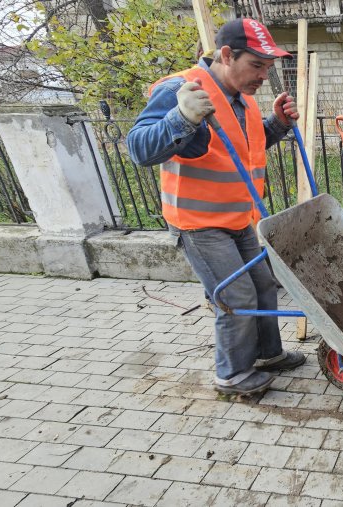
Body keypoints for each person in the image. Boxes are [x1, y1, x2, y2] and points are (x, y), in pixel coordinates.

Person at [127, 18, 305, 395]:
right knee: (235, 296)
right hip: (199, 221)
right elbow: (139, 149)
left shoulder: (243, 99)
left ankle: (267, 354)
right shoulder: (183, 89)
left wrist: (276, 123)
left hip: (239, 216)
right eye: (256, 65)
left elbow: (240, 154)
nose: (262, 75)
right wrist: (180, 117)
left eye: (267, 68)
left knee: (263, 285)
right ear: (227, 55)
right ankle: (232, 375)